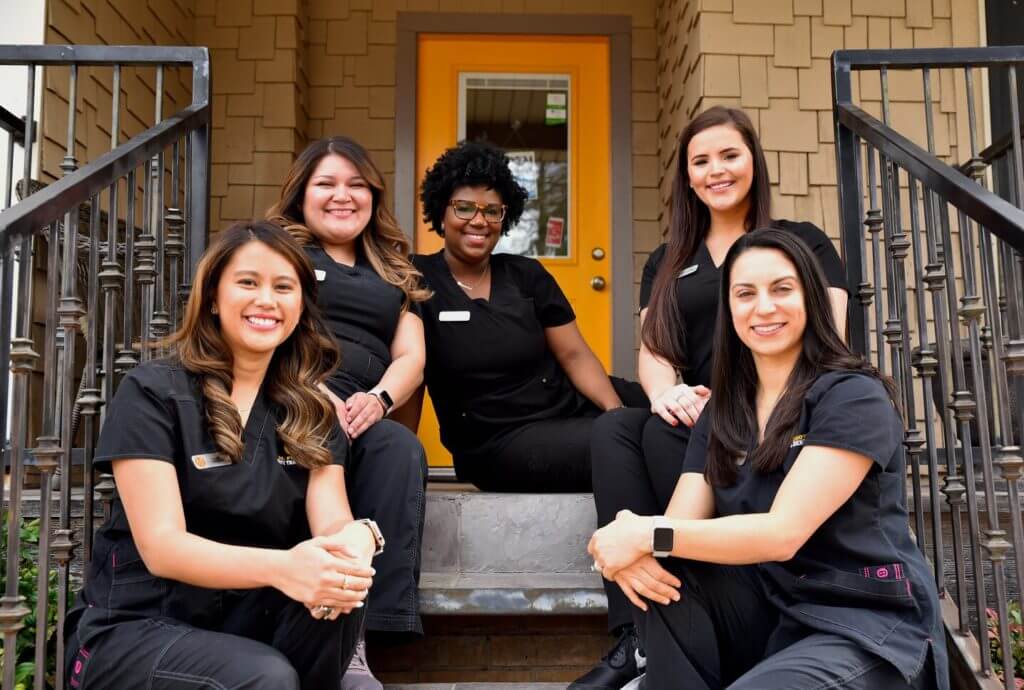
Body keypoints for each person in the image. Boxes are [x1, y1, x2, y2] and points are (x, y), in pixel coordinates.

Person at [588, 228, 948, 690]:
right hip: (777, 613)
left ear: (810, 298)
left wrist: (642, 533)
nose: (763, 307)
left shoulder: (852, 396)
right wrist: (631, 548)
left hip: (864, 623)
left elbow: (783, 533)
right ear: (729, 308)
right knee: (665, 574)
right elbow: (680, 526)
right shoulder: (723, 411)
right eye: (745, 293)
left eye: (781, 289)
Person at [576, 105, 850, 689]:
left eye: (729, 155)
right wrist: (666, 391)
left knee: (662, 434)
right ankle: (637, 634)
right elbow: (653, 347)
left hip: (768, 411)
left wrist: (749, 401)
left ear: (754, 161)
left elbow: (832, 334)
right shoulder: (670, 257)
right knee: (620, 428)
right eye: (700, 161)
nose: (716, 170)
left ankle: (702, 600)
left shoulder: (798, 243)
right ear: (686, 175)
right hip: (695, 411)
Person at [63, 221, 383, 689]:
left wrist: (355, 541)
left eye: (283, 287)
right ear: (213, 297)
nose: (266, 301)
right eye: (248, 283)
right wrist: (285, 568)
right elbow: (162, 547)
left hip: (249, 621)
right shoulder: (154, 391)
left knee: (340, 589)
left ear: (300, 306)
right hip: (141, 626)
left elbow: (331, 520)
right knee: (264, 676)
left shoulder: (313, 410)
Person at [267, 136, 429, 690]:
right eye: (327, 184)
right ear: (301, 195)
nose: (343, 196)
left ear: (374, 196)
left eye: (356, 185)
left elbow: (412, 354)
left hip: (365, 407)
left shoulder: (393, 270)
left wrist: (381, 399)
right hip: (289, 395)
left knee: (401, 451)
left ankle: (357, 641)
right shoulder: (280, 251)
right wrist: (308, 385)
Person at [410, 139, 648, 492]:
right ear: (440, 213)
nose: (479, 220)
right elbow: (411, 372)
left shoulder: (526, 275)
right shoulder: (417, 281)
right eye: (464, 208)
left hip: (571, 403)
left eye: (492, 211)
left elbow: (574, 353)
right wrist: (402, 459)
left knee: (673, 413)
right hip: (499, 442)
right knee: (641, 438)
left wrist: (614, 412)